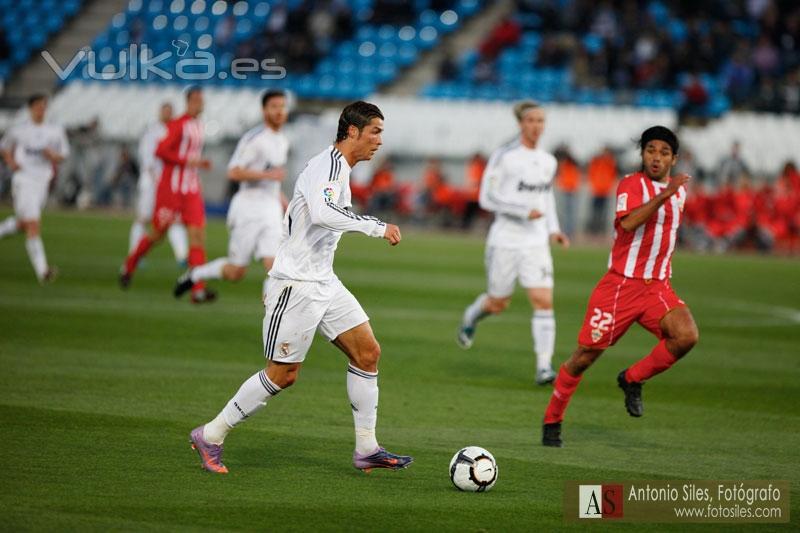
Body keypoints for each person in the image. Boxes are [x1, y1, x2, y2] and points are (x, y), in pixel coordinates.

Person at [189, 101, 412, 474]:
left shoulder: (341, 168)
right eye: (374, 132)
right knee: (282, 374)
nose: (379, 141)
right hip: (296, 284)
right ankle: (211, 434)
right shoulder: (326, 166)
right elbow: (324, 213)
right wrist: (376, 226)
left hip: (323, 279)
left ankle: (367, 448)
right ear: (352, 131)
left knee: (368, 353)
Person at [541, 126, 698, 447]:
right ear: (642, 153)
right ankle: (552, 419)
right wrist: (664, 194)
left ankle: (631, 378)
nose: (656, 157)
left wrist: (669, 194)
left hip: (657, 287)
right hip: (620, 288)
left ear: (674, 159)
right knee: (585, 356)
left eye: (664, 152)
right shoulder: (631, 184)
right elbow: (627, 224)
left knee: (686, 336)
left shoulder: (680, 192)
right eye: (651, 150)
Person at [457, 101, 570, 386]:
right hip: (505, 240)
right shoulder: (504, 156)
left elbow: (546, 197)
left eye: (541, 120)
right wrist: (522, 211)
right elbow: (487, 197)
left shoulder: (548, 160)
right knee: (497, 303)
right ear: (521, 123)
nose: (537, 126)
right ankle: (471, 316)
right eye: (531, 120)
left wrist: (554, 229)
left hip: (535, 243)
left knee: (543, 301)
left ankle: (544, 367)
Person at [174, 90, 289, 300]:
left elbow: (273, 180)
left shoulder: (282, 140)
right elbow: (233, 171)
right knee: (236, 271)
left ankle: (272, 320)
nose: (279, 111)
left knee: (276, 267)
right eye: (274, 107)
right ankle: (196, 273)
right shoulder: (254, 139)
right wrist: (267, 174)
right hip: (248, 208)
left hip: (270, 210)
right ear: (264, 111)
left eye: (282, 107)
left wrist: (285, 203)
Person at [120, 87, 214, 303]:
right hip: (171, 190)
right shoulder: (178, 125)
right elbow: (160, 151)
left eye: (202, 100)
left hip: (191, 190)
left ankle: (198, 289)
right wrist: (187, 161)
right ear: (188, 102)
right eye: (197, 100)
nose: (201, 104)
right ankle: (129, 265)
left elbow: (191, 157)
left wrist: (198, 163)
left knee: (198, 236)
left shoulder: (199, 125)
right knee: (158, 234)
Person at [0, 94, 69, 283]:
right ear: (30, 109)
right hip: (24, 180)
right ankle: (43, 271)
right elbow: (4, 146)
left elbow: (63, 155)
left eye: (44, 106)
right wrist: (11, 162)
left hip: (43, 181)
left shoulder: (55, 130)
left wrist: (53, 156)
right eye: (38, 107)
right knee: (33, 224)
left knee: (24, 224)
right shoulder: (19, 130)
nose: (41, 110)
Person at [129, 102, 188, 268]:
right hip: (151, 181)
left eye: (170, 111)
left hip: (169, 182)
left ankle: (182, 256)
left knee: (174, 218)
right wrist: (154, 175)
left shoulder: (175, 130)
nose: (167, 114)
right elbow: (147, 157)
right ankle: (136, 254)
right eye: (165, 111)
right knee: (144, 218)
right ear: (160, 112)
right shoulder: (151, 131)